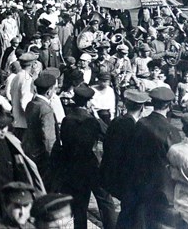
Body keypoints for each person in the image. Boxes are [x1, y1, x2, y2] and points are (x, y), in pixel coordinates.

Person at [59, 84, 117, 229]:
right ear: (88, 102)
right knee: (105, 201)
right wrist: (96, 117)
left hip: (74, 168)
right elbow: (108, 134)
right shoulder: (91, 121)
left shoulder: (67, 119)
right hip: (92, 165)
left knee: (80, 206)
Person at [129, 86, 182, 229]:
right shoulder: (171, 130)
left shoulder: (141, 123)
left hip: (140, 180)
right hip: (162, 185)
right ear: (169, 105)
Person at [99, 89, 150, 229]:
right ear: (142, 107)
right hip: (129, 178)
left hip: (114, 175)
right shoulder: (136, 127)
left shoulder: (116, 122)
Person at [22, 73, 58, 178]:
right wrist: (52, 157)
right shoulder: (46, 109)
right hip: (42, 156)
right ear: (49, 91)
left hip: (30, 151)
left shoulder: (31, 104)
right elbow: (48, 138)